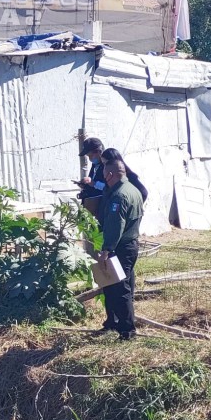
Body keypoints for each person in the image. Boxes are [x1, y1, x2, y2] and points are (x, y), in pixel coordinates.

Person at [98, 159, 144, 340]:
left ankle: (127, 331)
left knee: (120, 288)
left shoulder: (119, 196)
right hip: (131, 243)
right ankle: (113, 322)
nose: (105, 181)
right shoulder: (134, 189)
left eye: (106, 177)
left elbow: (116, 225)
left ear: (111, 175)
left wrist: (107, 249)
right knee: (113, 285)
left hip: (120, 246)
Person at [76, 137, 106, 213]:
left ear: (99, 152)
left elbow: (110, 188)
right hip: (92, 205)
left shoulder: (108, 166)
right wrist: (85, 185)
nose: (90, 159)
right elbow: (93, 183)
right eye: (88, 156)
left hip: (101, 207)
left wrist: (94, 184)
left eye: (90, 155)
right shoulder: (95, 165)